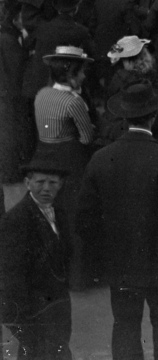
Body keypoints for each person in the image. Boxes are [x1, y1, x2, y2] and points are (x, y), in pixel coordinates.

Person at [77, 81, 158, 360]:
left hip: (121, 264)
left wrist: (105, 253)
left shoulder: (101, 158)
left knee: (125, 328)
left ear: (124, 117)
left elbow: (85, 219)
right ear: (153, 117)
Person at [31, 45, 95, 290]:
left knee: (49, 213)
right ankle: (77, 276)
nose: (84, 76)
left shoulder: (42, 94)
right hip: (70, 161)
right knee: (73, 215)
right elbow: (86, 138)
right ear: (70, 74)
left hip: (43, 156)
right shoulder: (74, 102)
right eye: (81, 72)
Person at [0, 149, 73, 360]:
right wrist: (21, 319)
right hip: (33, 312)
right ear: (27, 183)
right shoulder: (16, 220)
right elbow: (11, 274)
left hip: (57, 306)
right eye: (40, 182)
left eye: (52, 182)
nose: (46, 188)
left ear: (61, 184)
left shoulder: (59, 213)